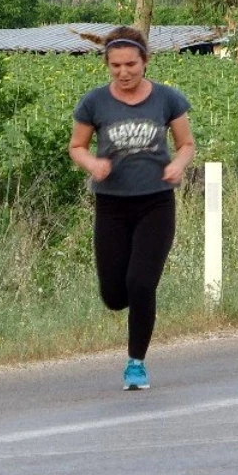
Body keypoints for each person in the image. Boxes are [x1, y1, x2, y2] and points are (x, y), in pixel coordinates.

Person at [69, 26, 196, 390]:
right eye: (115, 66)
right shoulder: (94, 103)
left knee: (141, 284)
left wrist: (177, 165)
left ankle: (136, 363)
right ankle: (127, 301)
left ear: (145, 62)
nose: (123, 73)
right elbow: (77, 146)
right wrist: (92, 164)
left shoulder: (167, 99)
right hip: (111, 205)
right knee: (114, 294)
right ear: (107, 65)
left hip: (155, 202)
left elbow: (186, 143)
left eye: (131, 65)